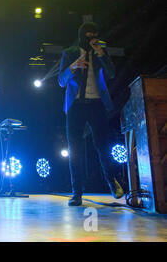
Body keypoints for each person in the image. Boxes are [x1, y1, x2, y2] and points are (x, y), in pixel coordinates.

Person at [58, 22, 123, 206]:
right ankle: (77, 193)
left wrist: (101, 53)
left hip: (96, 104)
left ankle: (112, 182)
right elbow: (61, 81)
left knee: (103, 146)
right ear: (81, 35)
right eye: (89, 34)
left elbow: (111, 73)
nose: (92, 37)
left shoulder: (100, 52)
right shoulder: (69, 52)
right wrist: (73, 66)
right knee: (75, 150)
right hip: (75, 105)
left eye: (95, 34)